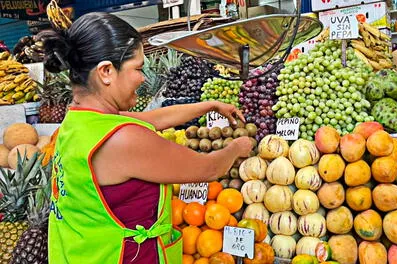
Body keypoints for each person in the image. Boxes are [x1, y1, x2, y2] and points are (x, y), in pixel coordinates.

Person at [40, 12, 252, 264]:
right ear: (106, 71)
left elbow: (150, 119)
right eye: (138, 68)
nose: (142, 78)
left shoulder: (77, 122)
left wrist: (208, 106)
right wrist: (237, 148)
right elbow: (207, 168)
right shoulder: (123, 140)